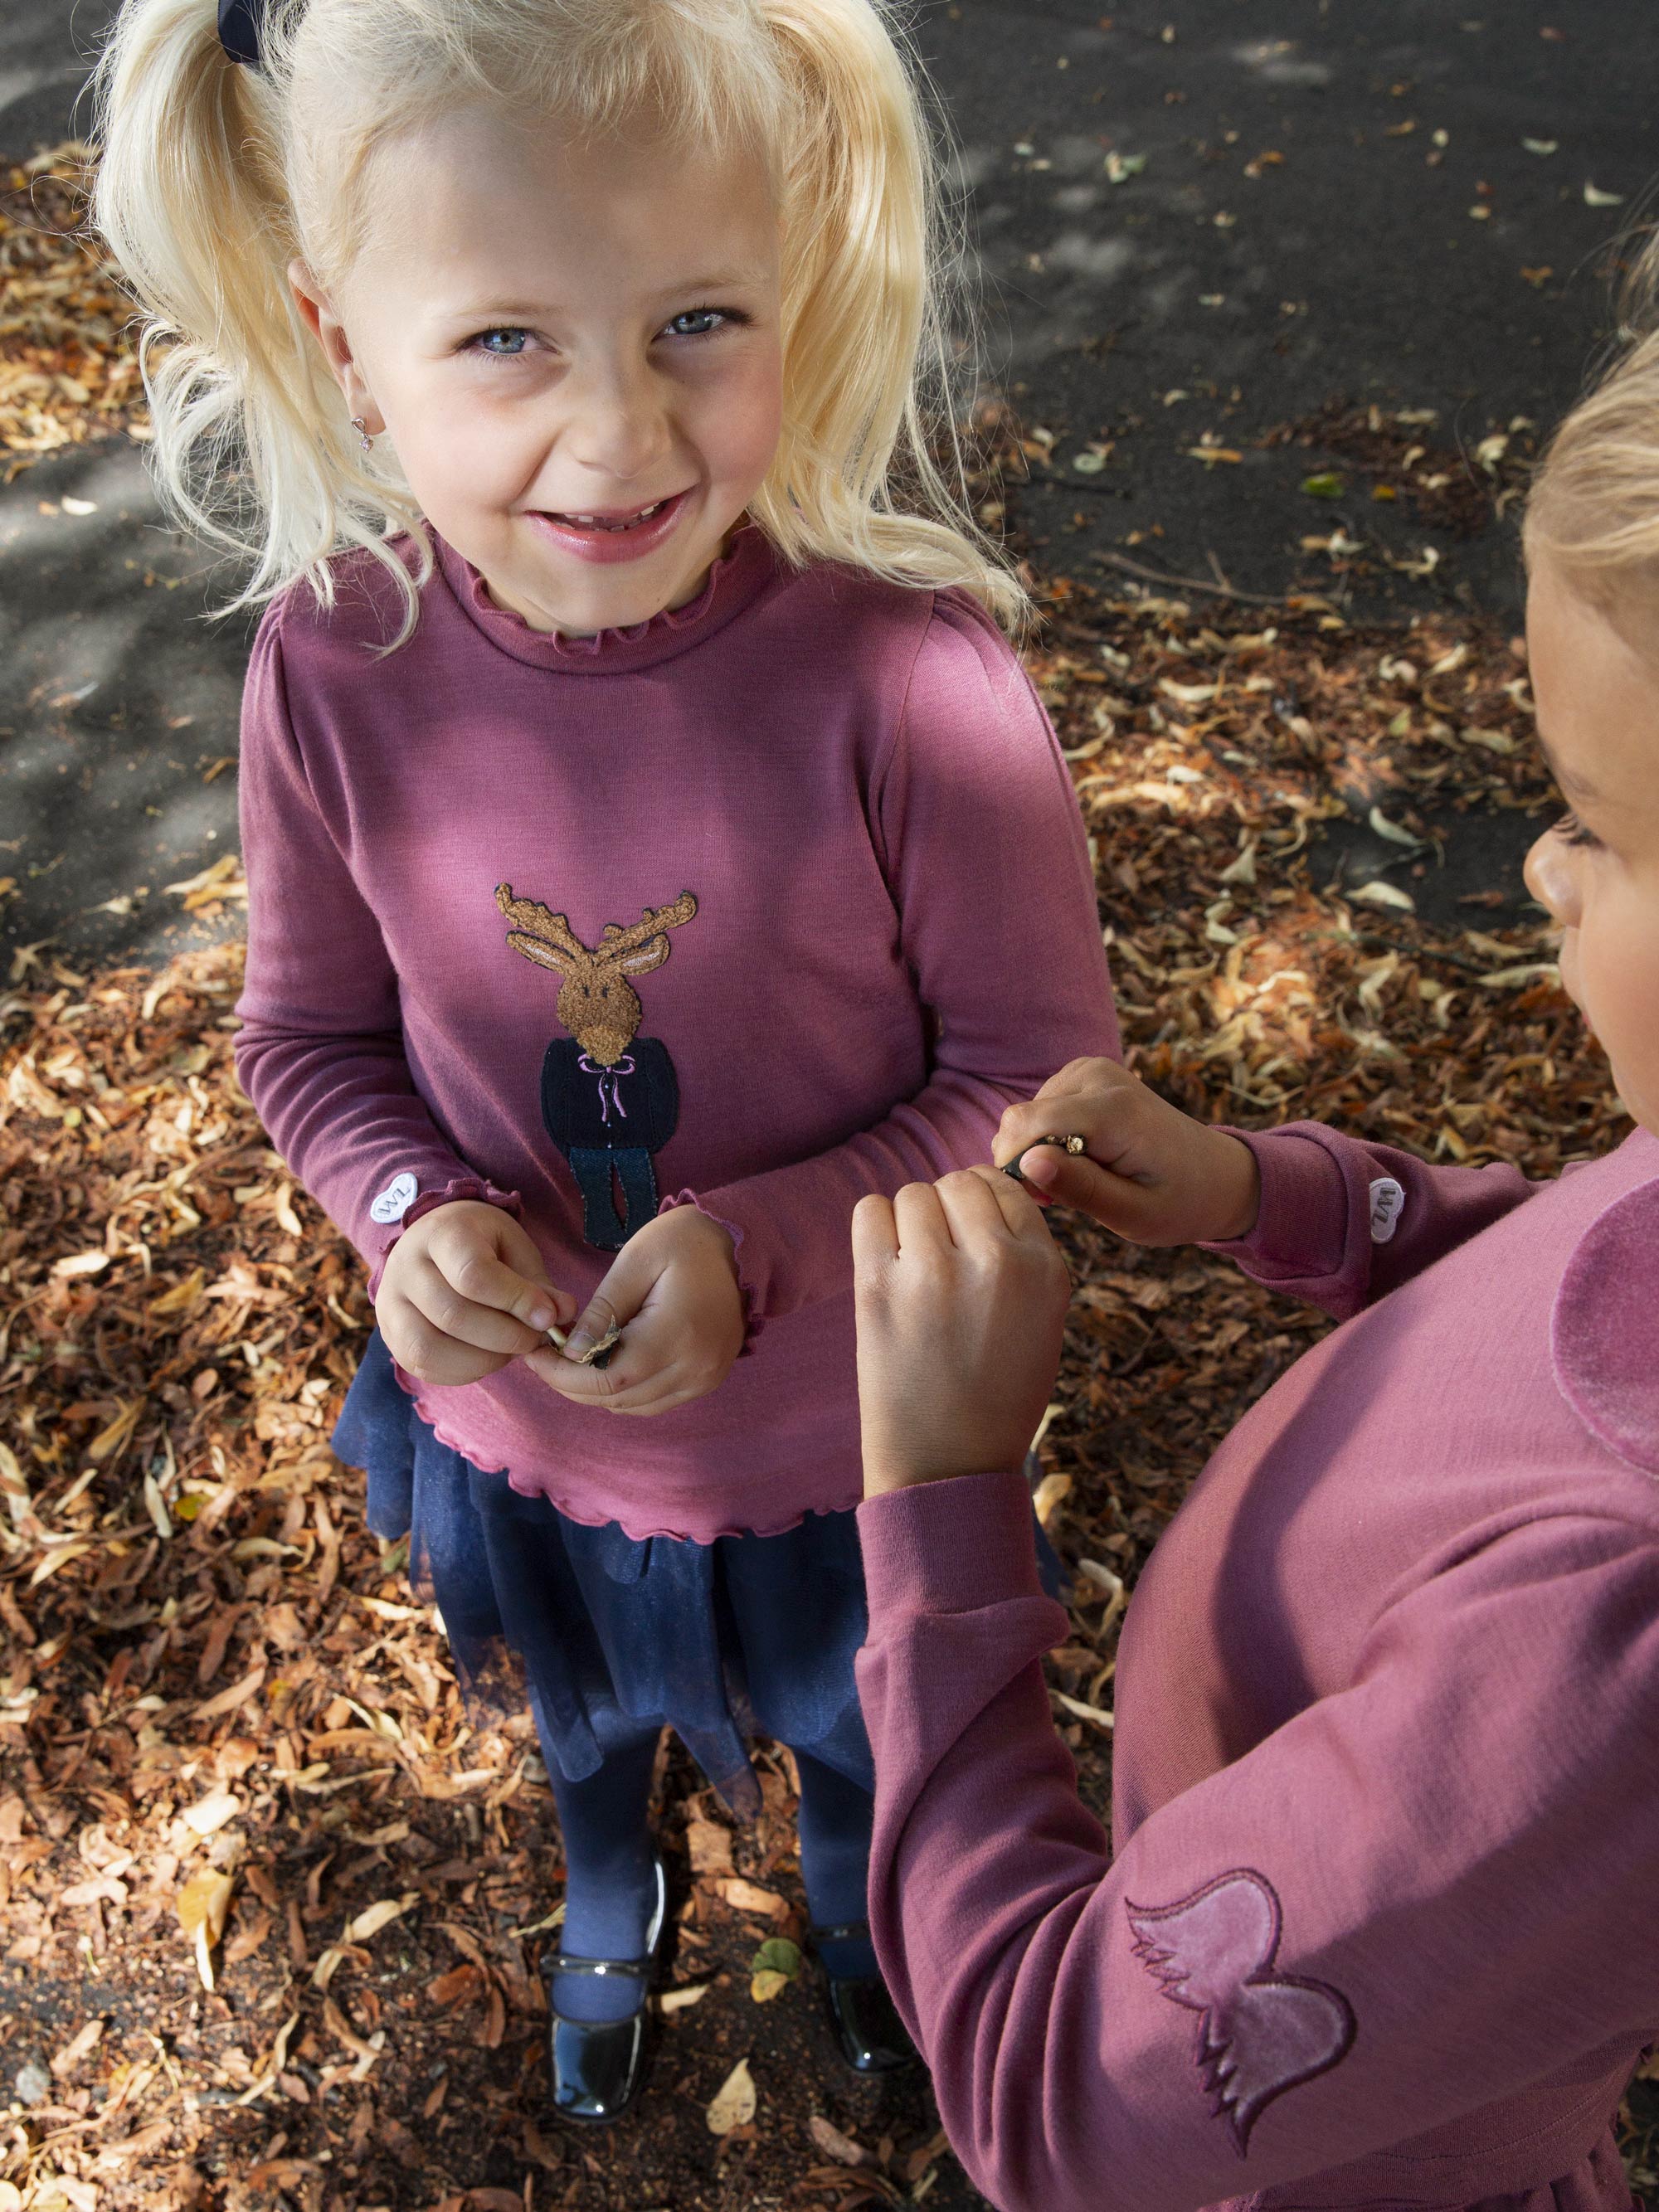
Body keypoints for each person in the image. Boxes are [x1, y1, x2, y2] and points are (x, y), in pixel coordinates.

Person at [92, 0, 1117, 2125]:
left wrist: (757, 1238)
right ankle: (606, 1880)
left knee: (857, 1726)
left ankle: (862, 1915)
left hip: (844, 1439)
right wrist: (406, 1209)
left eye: (696, 319)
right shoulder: (333, 664)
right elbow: (308, 1034)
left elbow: (1036, 1083)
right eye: (506, 341)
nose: (621, 434)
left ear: (797, 286)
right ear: (341, 334)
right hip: (521, 1427)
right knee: (579, 1706)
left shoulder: (907, 688)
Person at [850, 318, 1659, 2210]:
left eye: (1605, 834)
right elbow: (1548, 1279)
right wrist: (1255, 1191)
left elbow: (1049, 2091)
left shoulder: (1613, 1657)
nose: (1540, 871)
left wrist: (943, 1506)